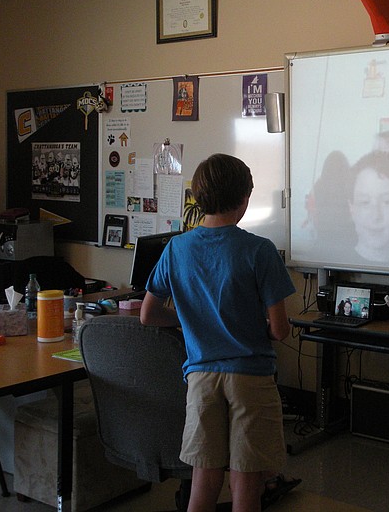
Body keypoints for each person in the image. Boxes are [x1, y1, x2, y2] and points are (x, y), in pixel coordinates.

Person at [140, 153, 299, 512]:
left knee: (203, 475)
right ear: (244, 199)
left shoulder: (176, 248)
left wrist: (189, 320)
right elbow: (279, 330)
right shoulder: (260, 250)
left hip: (200, 378)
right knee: (246, 479)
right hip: (250, 379)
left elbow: (148, 314)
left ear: (200, 197)